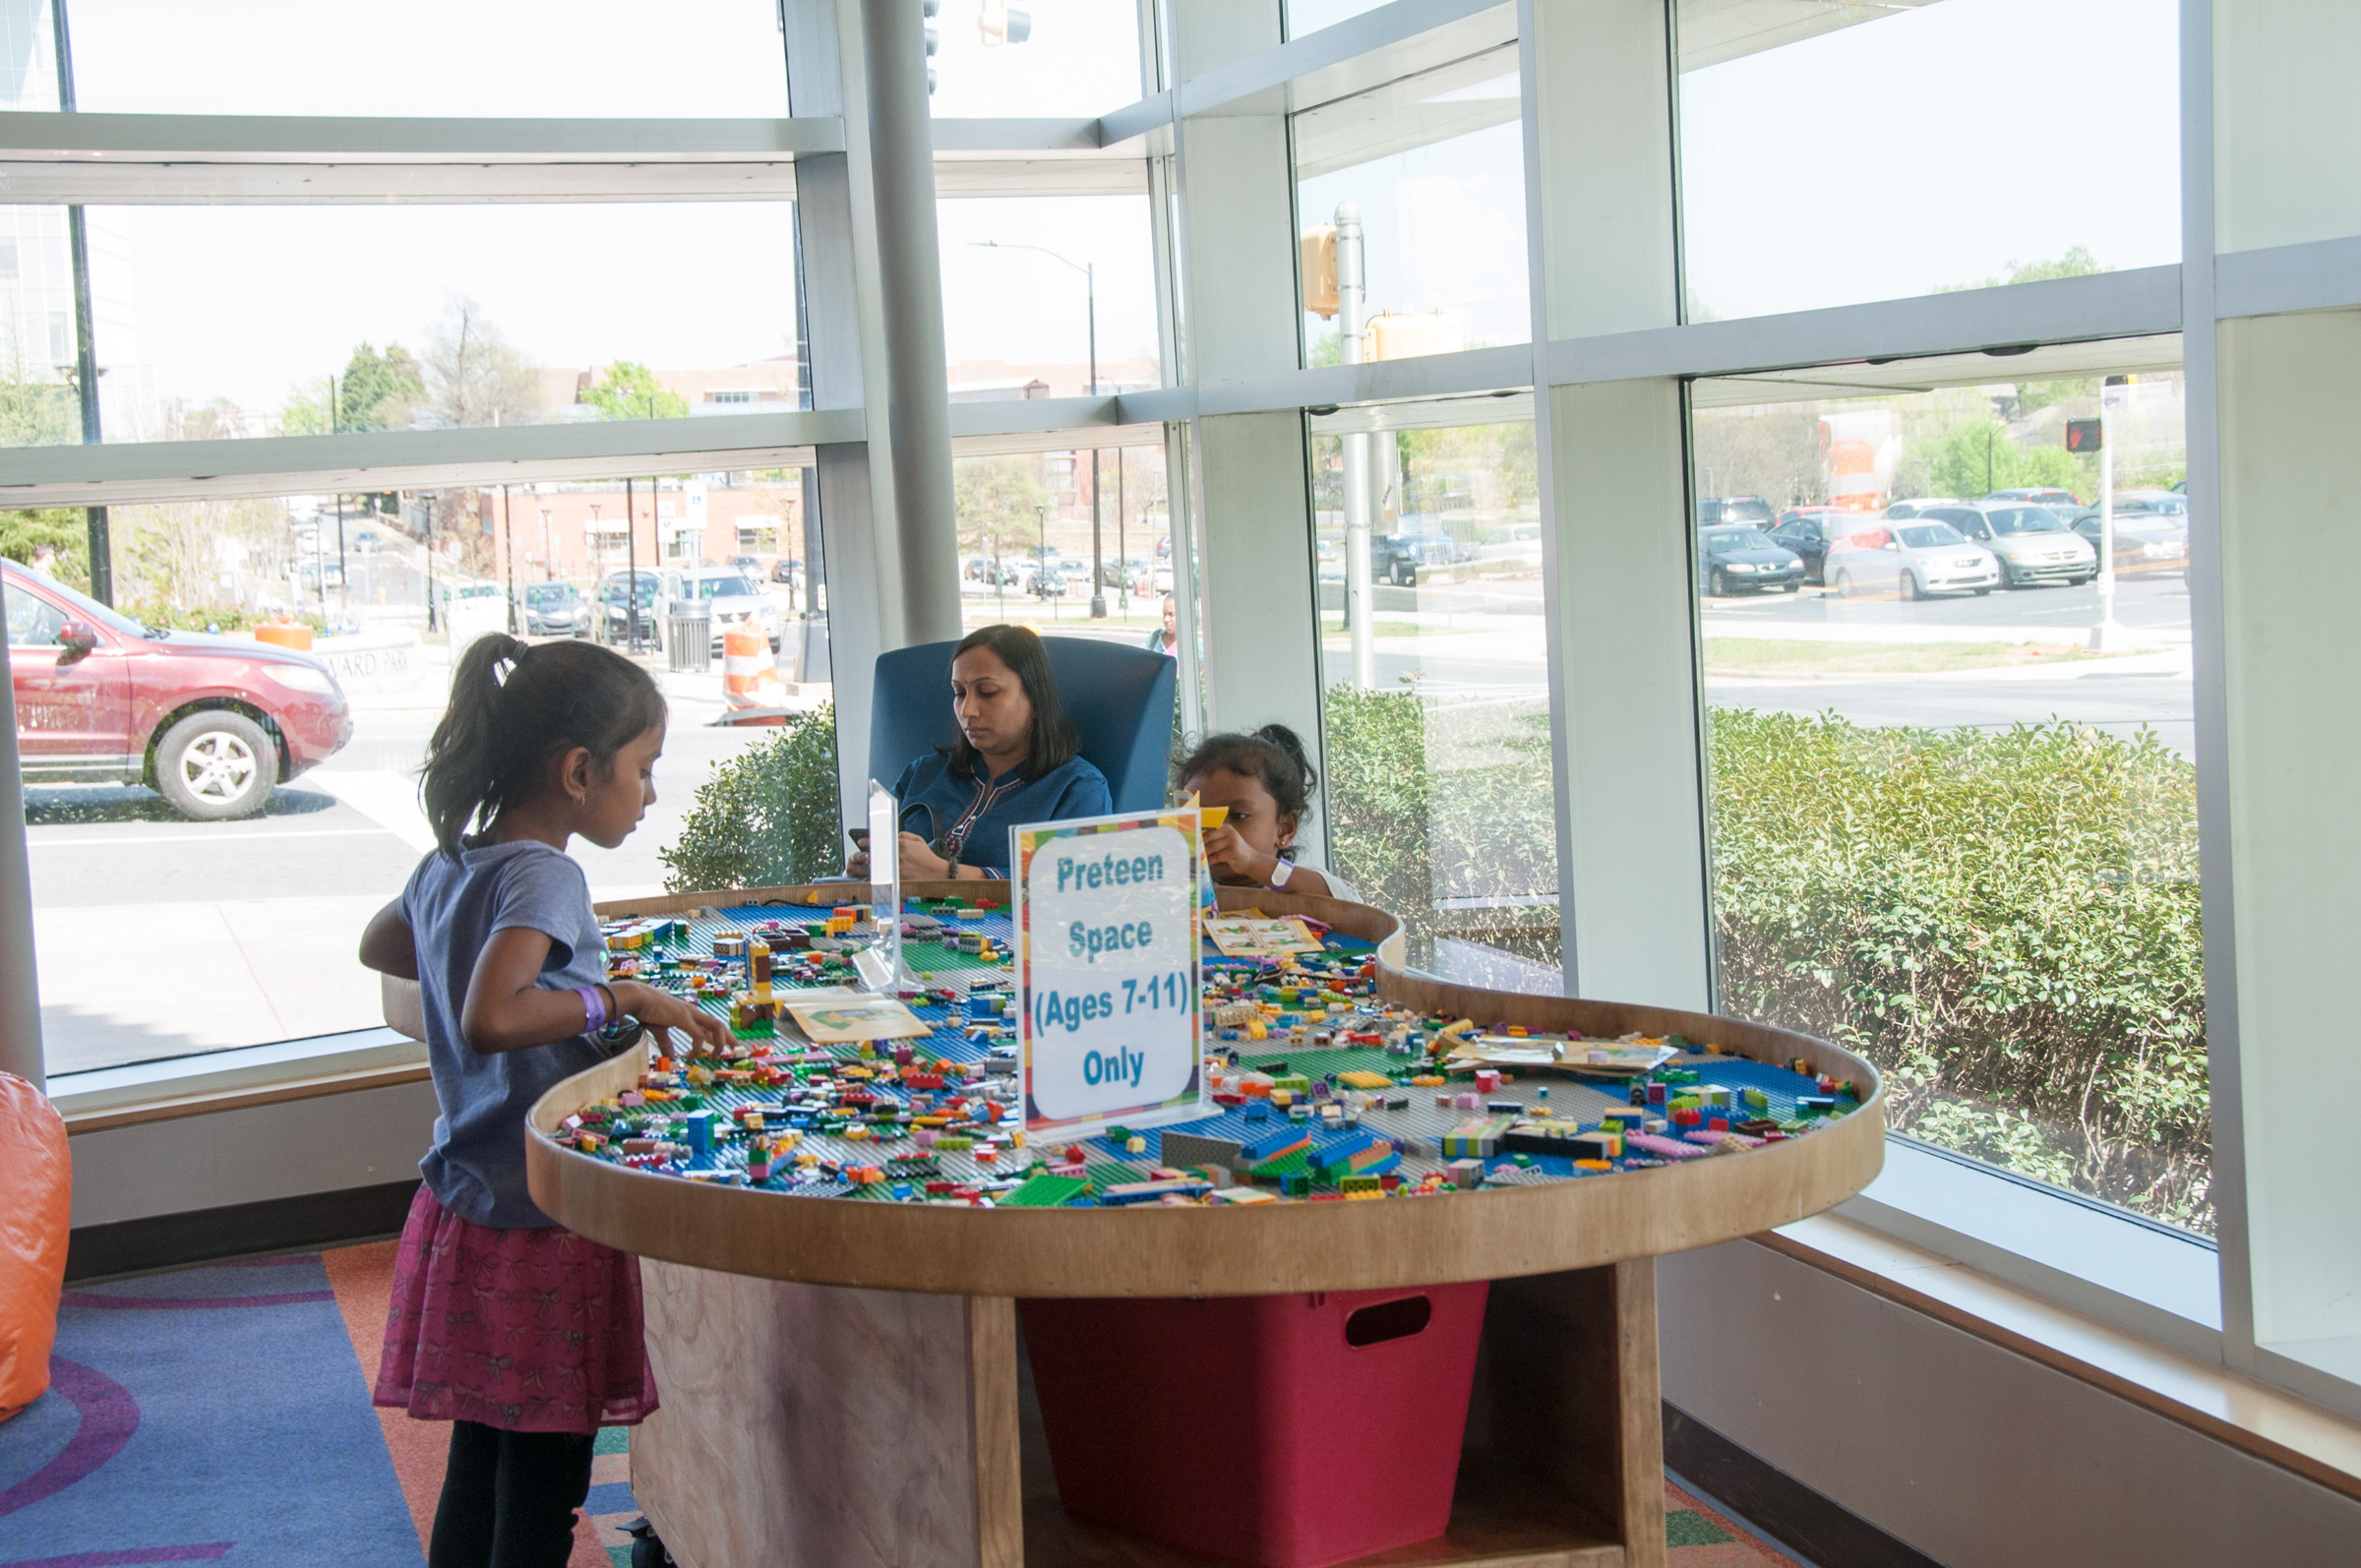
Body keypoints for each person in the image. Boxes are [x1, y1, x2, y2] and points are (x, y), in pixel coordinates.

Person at [356, 635, 730, 1568]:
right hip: (541, 1220)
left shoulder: (449, 865)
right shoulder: (546, 874)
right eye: (643, 770)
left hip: (467, 1203)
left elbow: (384, 946)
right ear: (577, 771)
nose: (649, 794)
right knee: (546, 1487)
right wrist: (621, 998)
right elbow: (492, 1015)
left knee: (481, 1458)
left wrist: (488, 959)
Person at [851, 623, 1111, 881]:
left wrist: (945, 874)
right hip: (903, 920)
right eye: (959, 693)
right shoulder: (923, 774)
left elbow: (1072, 888)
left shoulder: (1077, 788)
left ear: (1034, 698)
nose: (967, 710)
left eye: (987, 693)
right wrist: (864, 871)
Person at [1176, 723, 1357, 902]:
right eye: (1198, 817)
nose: (1217, 829)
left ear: (1285, 829)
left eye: (1238, 816)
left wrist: (1252, 862)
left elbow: (1348, 901)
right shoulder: (1185, 890)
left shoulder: (1303, 885)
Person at [1144, 592, 1178, 656]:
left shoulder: (1193, 646)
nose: (1166, 619)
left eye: (1171, 614)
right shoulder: (1154, 639)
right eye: (1164, 614)